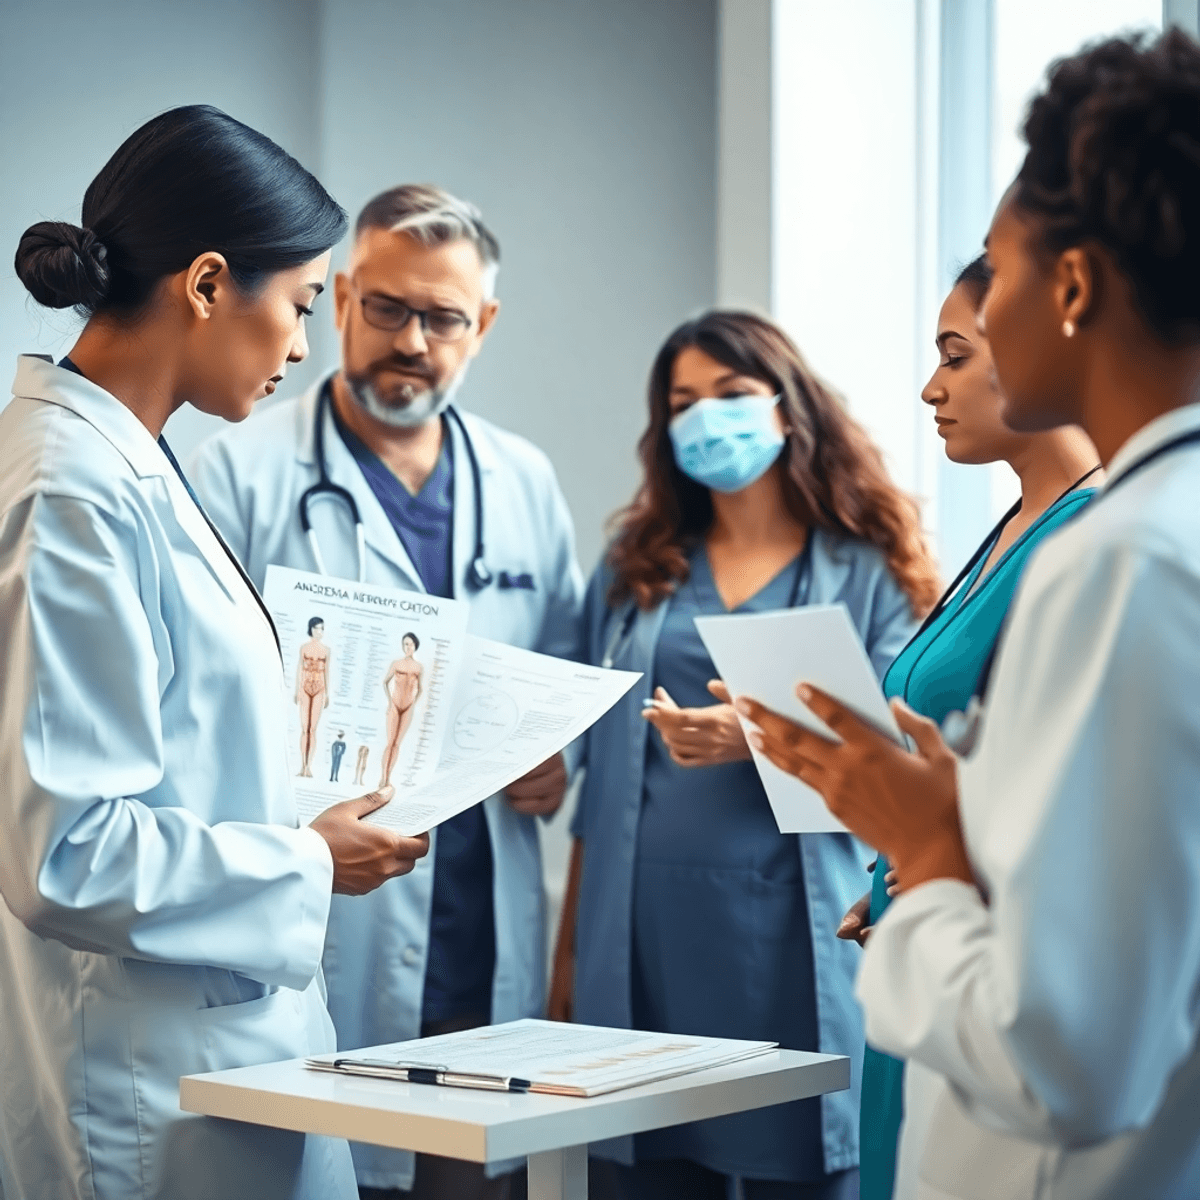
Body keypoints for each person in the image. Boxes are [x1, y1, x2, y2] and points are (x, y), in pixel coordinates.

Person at [740, 30, 1200, 1200]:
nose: (978, 321)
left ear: (1076, 284)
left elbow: (1067, 1061)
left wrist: (931, 853)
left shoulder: (1126, 562)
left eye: (996, 271)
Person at [0, 105, 429, 1200]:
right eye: (294, 305)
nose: (299, 345)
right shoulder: (71, 490)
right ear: (204, 285)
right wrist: (313, 862)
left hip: (223, 1051)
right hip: (150, 1091)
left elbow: (178, 765)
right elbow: (68, 854)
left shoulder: (125, 462)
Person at [191, 183, 584, 1200]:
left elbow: (561, 663)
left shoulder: (524, 480)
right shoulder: (242, 471)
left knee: (481, 1170)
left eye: (444, 317)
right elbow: (200, 706)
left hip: (484, 918)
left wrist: (555, 761)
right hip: (326, 916)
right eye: (388, 309)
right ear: (344, 296)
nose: (413, 340)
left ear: (483, 324)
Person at [551, 310, 941, 1200]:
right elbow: (599, 777)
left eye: (730, 396)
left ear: (788, 405)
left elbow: (904, 743)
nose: (705, 419)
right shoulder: (636, 563)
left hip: (789, 949)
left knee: (801, 1165)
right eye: (682, 402)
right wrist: (568, 951)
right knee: (641, 1166)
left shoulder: (866, 562)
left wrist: (756, 734)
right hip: (645, 942)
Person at [841, 256, 1100, 1200]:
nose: (930, 387)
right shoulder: (1008, 531)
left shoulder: (1090, 541)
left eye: (955, 355)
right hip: (924, 941)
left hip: (997, 977)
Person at [380, 632, 423, 786]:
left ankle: (389, 777)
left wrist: (413, 704)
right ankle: (383, 777)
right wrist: (389, 702)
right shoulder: (396, 663)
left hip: (408, 707)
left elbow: (421, 689)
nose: (408, 647)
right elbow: (385, 682)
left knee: (397, 743)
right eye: (405, 644)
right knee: (390, 742)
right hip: (395, 704)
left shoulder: (418, 667)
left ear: (415, 646)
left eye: (410, 644)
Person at [296, 615, 332, 776]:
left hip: (319, 688)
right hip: (304, 687)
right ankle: (302, 765)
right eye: (317, 628)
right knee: (304, 729)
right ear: (311, 629)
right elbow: (299, 668)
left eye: (322, 628)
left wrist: (328, 693)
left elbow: (327, 671)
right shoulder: (304, 648)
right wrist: (297, 690)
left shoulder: (326, 650)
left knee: (313, 729)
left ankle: (308, 766)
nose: (320, 631)